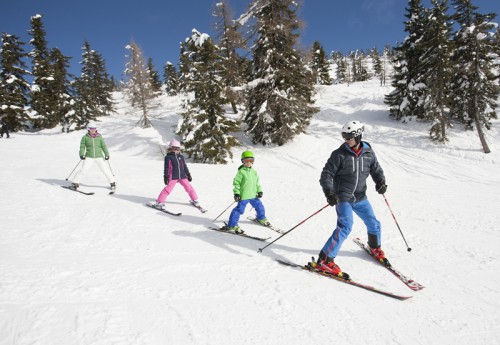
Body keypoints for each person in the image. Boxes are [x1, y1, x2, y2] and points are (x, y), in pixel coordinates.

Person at [317, 120, 388, 278]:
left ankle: (374, 247)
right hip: (343, 197)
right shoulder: (339, 155)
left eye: (348, 136)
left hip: (360, 196)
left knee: (374, 223)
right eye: (344, 136)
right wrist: (329, 192)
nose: (346, 139)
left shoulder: (369, 153)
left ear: (358, 136)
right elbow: (326, 175)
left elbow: (376, 170)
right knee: (345, 226)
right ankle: (324, 260)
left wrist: (381, 182)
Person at [225, 150, 270, 234]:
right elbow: (236, 183)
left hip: (253, 195)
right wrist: (237, 193)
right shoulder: (241, 172)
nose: (249, 163)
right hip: (244, 196)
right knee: (239, 210)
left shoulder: (254, 172)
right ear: (243, 161)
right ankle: (232, 225)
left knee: (260, 207)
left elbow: (257, 183)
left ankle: (261, 218)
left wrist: (259, 191)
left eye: (251, 160)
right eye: (246, 161)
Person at [152, 139, 200, 209]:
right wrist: (166, 176)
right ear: (171, 148)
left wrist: (188, 174)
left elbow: (184, 166)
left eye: (178, 149)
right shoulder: (168, 157)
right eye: (174, 149)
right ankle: (159, 202)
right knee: (167, 189)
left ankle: (195, 200)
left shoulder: (181, 157)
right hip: (173, 177)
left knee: (189, 187)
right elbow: (166, 168)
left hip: (182, 176)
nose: (176, 150)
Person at [70, 124, 116, 192]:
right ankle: (75, 183)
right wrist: (81, 154)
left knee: (105, 170)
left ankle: (113, 183)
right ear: (88, 129)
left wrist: (107, 154)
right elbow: (82, 147)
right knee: (83, 170)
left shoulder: (99, 137)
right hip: (89, 156)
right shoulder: (85, 137)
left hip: (99, 156)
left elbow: (103, 146)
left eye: (94, 128)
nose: (93, 130)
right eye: (91, 128)